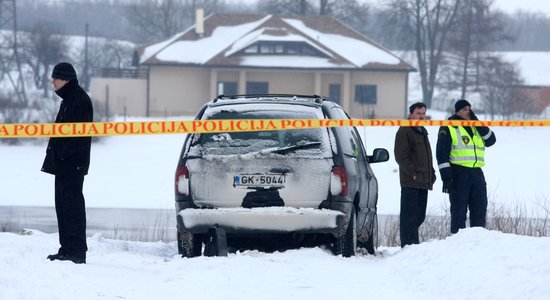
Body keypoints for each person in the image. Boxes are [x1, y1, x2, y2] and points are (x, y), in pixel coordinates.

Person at [42, 62, 93, 264]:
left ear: (65, 79)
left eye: (55, 78)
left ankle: (77, 252)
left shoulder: (79, 100)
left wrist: (62, 154)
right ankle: (66, 249)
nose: (53, 82)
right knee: (62, 206)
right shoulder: (69, 99)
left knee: (72, 207)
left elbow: (79, 136)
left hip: (72, 164)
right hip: (64, 164)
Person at [436, 99, 496, 234]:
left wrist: (478, 123)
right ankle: (457, 244)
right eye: (464, 109)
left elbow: (491, 141)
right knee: (459, 211)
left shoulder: (476, 126)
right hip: (458, 173)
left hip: (477, 173)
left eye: (469, 108)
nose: (468, 111)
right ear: (457, 112)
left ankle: (478, 242)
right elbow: (441, 153)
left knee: (480, 209)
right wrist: (446, 177)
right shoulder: (449, 126)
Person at [394, 102, 436, 247]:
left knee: (419, 216)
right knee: (409, 218)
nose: (421, 116)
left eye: (423, 113)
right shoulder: (405, 130)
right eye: (418, 113)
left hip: (423, 181)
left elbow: (426, 156)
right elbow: (400, 156)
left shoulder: (422, 131)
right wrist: (413, 174)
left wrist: (432, 173)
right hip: (411, 181)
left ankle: (413, 246)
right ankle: (408, 247)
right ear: (411, 114)